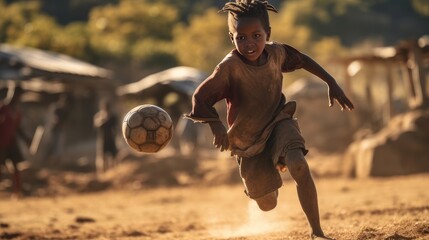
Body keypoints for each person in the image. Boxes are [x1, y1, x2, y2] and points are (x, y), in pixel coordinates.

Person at [185, 1, 354, 239]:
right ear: (231, 38)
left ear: (268, 34)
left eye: (256, 36)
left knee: (299, 165)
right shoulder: (228, 68)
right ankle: (272, 165)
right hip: (247, 141)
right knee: (267, 204)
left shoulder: (277, 53)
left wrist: (331, 82)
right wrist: (216, 126)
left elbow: (303, 59)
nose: (249, 43)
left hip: (278, 122)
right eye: (240, 38)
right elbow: (200, 98)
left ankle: (317, 232)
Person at [0, 83, 31, 197]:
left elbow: (17, 128)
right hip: (1, 143)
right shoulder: (3, 108)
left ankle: (17, 192)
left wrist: (27, 139)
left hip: (12, 143)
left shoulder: (17, 112)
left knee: (16, 166)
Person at [93, 99, 118, 173]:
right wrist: (103, 119)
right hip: (103, 139)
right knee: (103, 158)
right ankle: (103, 172)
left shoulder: (113, 116)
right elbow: (96, 125)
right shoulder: (99, 116)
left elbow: (116, 128)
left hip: (111, 138)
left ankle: (113, 172)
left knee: (113, 157)